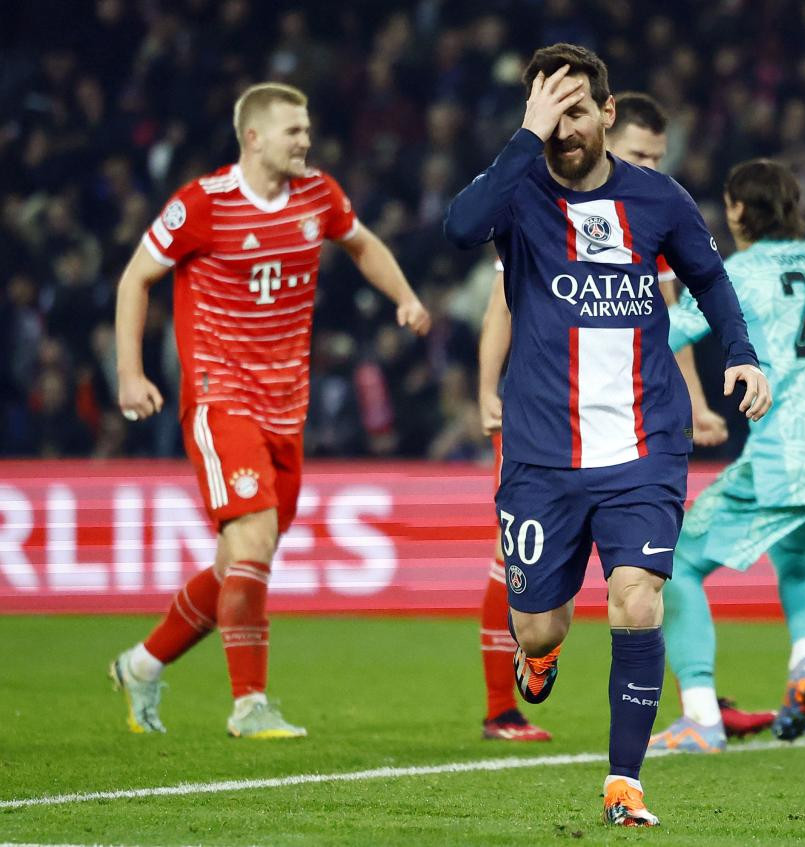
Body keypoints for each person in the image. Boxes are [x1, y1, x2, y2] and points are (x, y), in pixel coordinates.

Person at [445, 43, 771, 827]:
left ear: (608, 112)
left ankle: (625, 782)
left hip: (644, 443)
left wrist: (745, 355)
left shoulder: (658, 199)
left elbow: (711, 282)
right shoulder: (517, 195)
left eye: (577, 111)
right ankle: (541, 652)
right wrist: (524, 137)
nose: (565, 129)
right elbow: (458, 227)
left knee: (636, 599)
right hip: (540, 450)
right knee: (540, 621)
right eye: (550, 114)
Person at [109, 82, 430, 739]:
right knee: (253, 538)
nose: (305, 141)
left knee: (240, 562)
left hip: (289, 405)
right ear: (253, 137)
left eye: (307, 129)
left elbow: (362, 242)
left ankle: (142, 663)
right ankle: (249, 704)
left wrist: (405, 296)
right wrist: (131, 372)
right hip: (221, 396)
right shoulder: (204, 203)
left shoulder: (318, 193)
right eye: (293, 131)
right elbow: (134, 278)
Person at [648, 159, 805, 754]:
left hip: (788, 458)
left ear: (737, 210)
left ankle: (699, 716)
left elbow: (671, 334)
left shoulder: (741, 273)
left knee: (674, 563)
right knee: (799, 561)